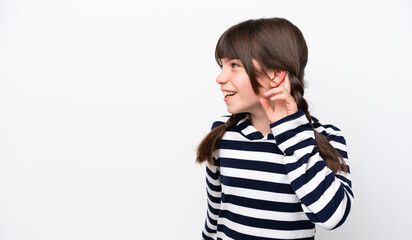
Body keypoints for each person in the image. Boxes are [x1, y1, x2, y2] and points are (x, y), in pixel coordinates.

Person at [196, 17, 353, 240]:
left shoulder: (325, 137)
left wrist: (292, 133)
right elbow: (215, 210)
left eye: (234, 65)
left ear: (275, 75)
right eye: (222, 65)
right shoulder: (223, 133)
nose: (220, 77)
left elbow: (332, 216)